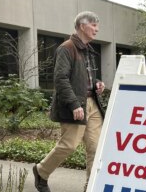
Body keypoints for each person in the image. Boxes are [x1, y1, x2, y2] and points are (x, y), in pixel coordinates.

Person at [33, 11, 105, 192]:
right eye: (94, 25)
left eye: (97, 25)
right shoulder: (66, 48)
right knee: (69, 145)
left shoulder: (88, 49)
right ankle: (41, 171)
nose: (97, 29)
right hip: (75, 104)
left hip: (92, 104)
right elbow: (61, 79)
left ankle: (91, 186)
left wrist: (96, 83)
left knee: (95, 148)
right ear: (82, 26)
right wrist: (74, 104)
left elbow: (83, 78)